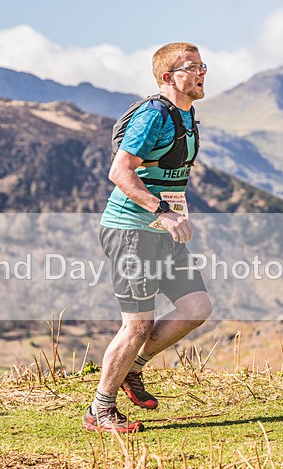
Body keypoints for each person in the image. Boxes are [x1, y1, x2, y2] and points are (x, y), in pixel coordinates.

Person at [83, 42, 213, 433]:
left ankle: (131, 370)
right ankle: (99, 411)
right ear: (167, 77)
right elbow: (120, 172)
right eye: (193, 67)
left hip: (161, 231)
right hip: (131, 232)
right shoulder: (154, 116)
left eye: (203, 65)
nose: (202, 72)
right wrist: (163, 212)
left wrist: (171, 216)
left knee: (197, 306)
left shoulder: (187, 117)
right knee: (137, 325)